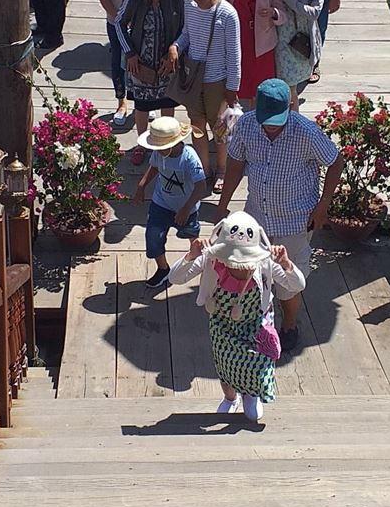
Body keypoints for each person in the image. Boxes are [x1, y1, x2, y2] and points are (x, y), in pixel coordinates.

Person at [217, 78, 342, 354]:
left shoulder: (306, 132)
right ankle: (257, 320)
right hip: (257, 219)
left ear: (290, 107)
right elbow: (236, 164)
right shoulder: (246, 125)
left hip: (295, 221)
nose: (271, 126)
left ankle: (290, 324)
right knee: (251, 273)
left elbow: (335, 162)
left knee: (288, 281)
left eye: (277, 120)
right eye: (267, 120)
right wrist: (222, 204)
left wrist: (323, 205)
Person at [168, 211, 305, 422]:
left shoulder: (265, 262)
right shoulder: (210, 259)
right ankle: (230, 398)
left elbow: (297, 285)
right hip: (222, 323)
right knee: (225, 363)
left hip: (256, 322)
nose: (237, 263)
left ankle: (251, 394)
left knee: (257, 363)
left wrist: (286, 264)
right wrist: (190, 256)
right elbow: (175, 278)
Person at [167, 0, 241, 193]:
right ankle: (204, 170)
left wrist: (232, 87)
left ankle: (222, 170)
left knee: (221, 129)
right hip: (193, 78)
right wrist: (175, 46)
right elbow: (187, 34)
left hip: (217, 80)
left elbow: (234, 54)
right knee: (196, 126)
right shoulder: (189, 6)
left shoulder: (228, 13)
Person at [114, 0, 185, 165]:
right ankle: (142, 144)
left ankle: (168, 140)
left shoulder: (177, 0)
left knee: (167, 103)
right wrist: (129, 53)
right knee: (142, 106)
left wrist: (175, 49)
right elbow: (118, 24)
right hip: (140, 61)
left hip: (167, 62)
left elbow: (185, 29)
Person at [132, 115, 208, 290]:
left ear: (175, 143)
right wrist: (142, 186)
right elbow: (154, 166)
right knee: (153, 237)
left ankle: (198, 260)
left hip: (186, 207)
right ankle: (163, 269)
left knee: (191, 235)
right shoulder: (159, 152)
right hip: (161, 203)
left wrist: (186, 209)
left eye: (161, 147)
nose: (158, 151)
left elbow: (201, 186)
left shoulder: (189, 158)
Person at [93, 0, 148, 127]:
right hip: (115, 21)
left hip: (141, 22)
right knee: (118, 61)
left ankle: (144, 101)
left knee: (144, 59)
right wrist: (119, 18)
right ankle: (121, 103)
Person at [214, 0, 284, 104]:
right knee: (236, 87)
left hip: (261, 45)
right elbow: (216, 7)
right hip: (235, 39)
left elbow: (283, 15)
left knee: (262, 91)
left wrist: (273, 12)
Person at [267, 0, 324, 103]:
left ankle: (290, 112)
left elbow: (314, 12)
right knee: (282, 79)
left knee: (292, 85)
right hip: (281, 31)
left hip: (303, 33)